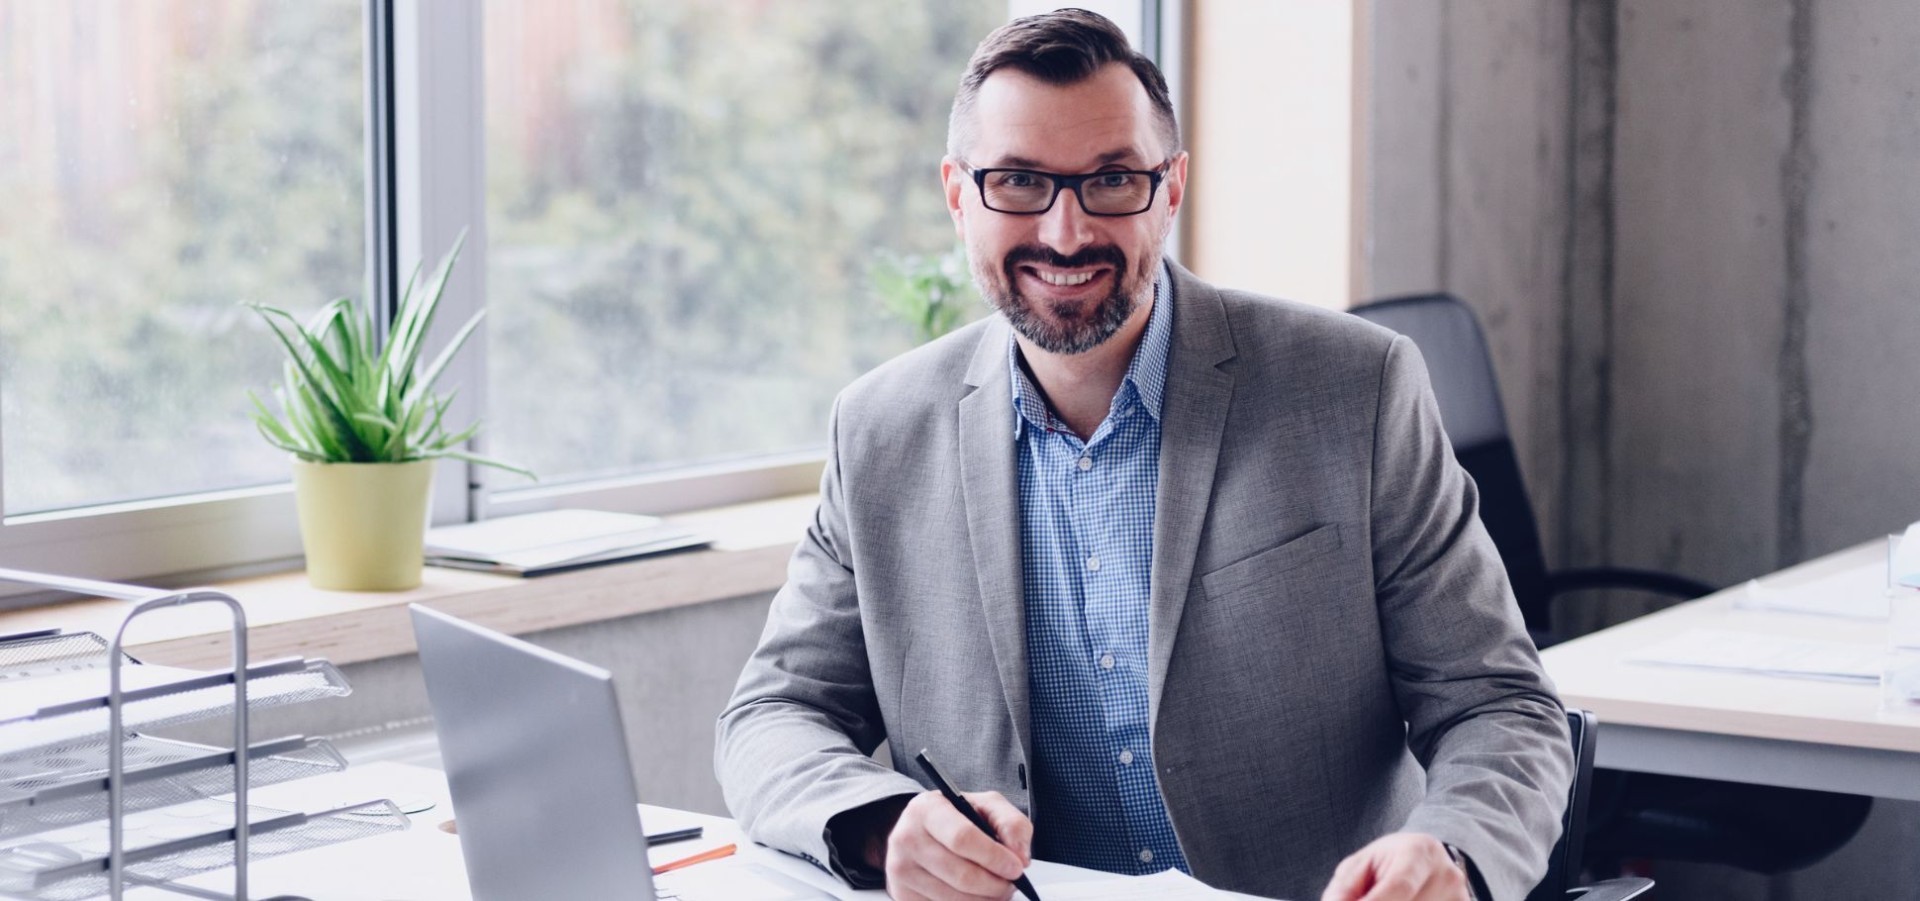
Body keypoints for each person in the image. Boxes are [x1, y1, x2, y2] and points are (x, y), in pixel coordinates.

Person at [716, 9, 1572, 901]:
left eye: (1112, 179)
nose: (1065, 231)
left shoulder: (1355, 389)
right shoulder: (879, 430)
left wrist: (1454, 855)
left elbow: (1499, 705)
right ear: (957, 193)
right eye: (1017, 180)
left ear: (1171, 188)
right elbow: (774, 715)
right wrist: (879, 821)